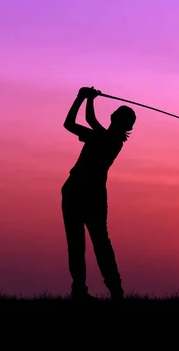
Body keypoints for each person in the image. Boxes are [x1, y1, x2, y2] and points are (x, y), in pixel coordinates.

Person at [61, 86, 136, 301]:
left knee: (97, 242)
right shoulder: (99, 136)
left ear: (120, 122)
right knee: (81, 243)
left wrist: (85, 98)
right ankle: (85, 291)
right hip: (77, 190)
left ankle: (114, 291)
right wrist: (83, 98)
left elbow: (90, 120)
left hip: (87, 192)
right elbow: (69, 124)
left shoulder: (112, 141)